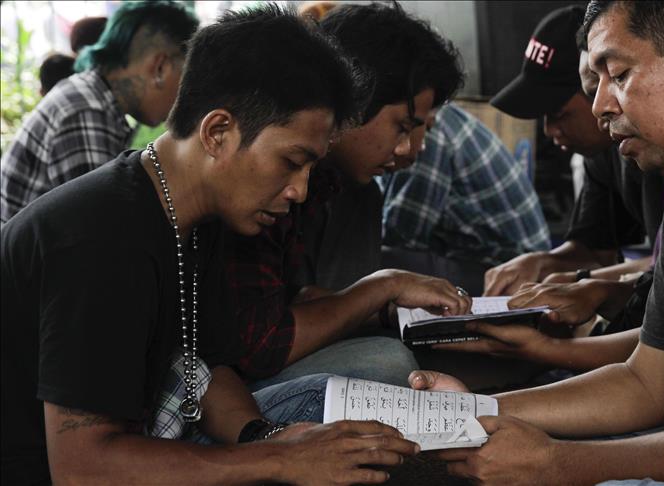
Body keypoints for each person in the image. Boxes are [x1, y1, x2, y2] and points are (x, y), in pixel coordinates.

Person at [1, 5, 419, 485]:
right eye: (291, 161)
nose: (300, 191)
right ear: (218, 132)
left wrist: (267, 438)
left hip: (144, 435)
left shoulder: (200, 214)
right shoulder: (100, 240)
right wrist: (280, 460)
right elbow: (83, 470)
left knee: (354, 428)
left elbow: (207, 363)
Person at [412, 1, 664, 483]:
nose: (599, 106)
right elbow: (648, 381)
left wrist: (557, 463)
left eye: (617, 74)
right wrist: (475, 409)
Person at [226, 2, 469, 388]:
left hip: (281, 350)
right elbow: (262, 345)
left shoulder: (348, 190)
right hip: (231, 382)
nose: (409, 150)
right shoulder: (268, 180)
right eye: (401, 127)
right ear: (355, 100)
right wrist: (383, 286)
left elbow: (318, 302)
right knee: (388, 363)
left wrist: (387, 308)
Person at [484, 5, 664, 300]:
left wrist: (584, 282)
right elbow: (596, 249)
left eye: (559, 113)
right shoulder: (599, 154)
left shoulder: (662, 153)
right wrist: (544, 263)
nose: (548, 130)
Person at [1, 1, 198, 223]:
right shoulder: (86, 110)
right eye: (187, 78)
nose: (185, 96)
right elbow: (100, 231)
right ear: (160, 68)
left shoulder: (90, 95)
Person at [379, 101, 551, 296]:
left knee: (380, 265)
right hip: (472, 253)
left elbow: (403, 236)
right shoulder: (431, 116)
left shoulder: (429, 133)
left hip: (507, 270)